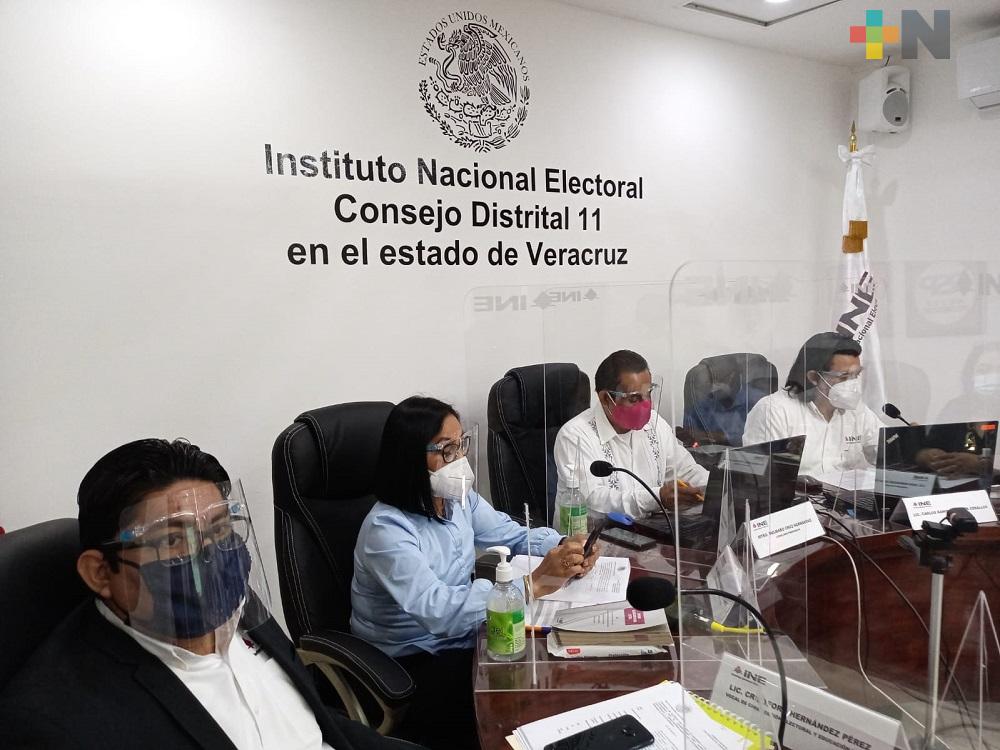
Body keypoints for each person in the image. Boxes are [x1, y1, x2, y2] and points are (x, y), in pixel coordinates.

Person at [0, 438, 420, 750]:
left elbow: (312, 720)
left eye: (218, 529)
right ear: (100, 572)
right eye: (172, 540)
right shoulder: (58, 725)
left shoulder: (238, 609)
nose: (209, 556)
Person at [350, 396, 598, 749]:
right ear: (410, 458)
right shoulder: (387, 530)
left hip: (465, 635)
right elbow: (439, 612)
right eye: (447, 450)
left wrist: (564, 545)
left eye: (461, 444)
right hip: (411, 657)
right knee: (516, 698)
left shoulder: (455, 498)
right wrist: (532, 584)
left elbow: (510, 534)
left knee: (553, 664)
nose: (460, 459)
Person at [553, 350, 709, 522]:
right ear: (605, 398)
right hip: (593, 535)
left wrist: (716, 487)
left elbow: (685, 471)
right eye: (634, 398)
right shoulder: (575, 435)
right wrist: (658, 498)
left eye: (648, 393)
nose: (646, 404)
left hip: (649, 530)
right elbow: (593, 502)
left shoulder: (655, 424)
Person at [743, 331, 882, 478]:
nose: (853, 384)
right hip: (800, 493)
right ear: (814, 377)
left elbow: (887, 451)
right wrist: (797, 483)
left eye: (856, 375)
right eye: (844, 377)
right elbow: (761, 476)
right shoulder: (774, 410)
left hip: (847, 491)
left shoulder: (857, 410)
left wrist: (899, 446)